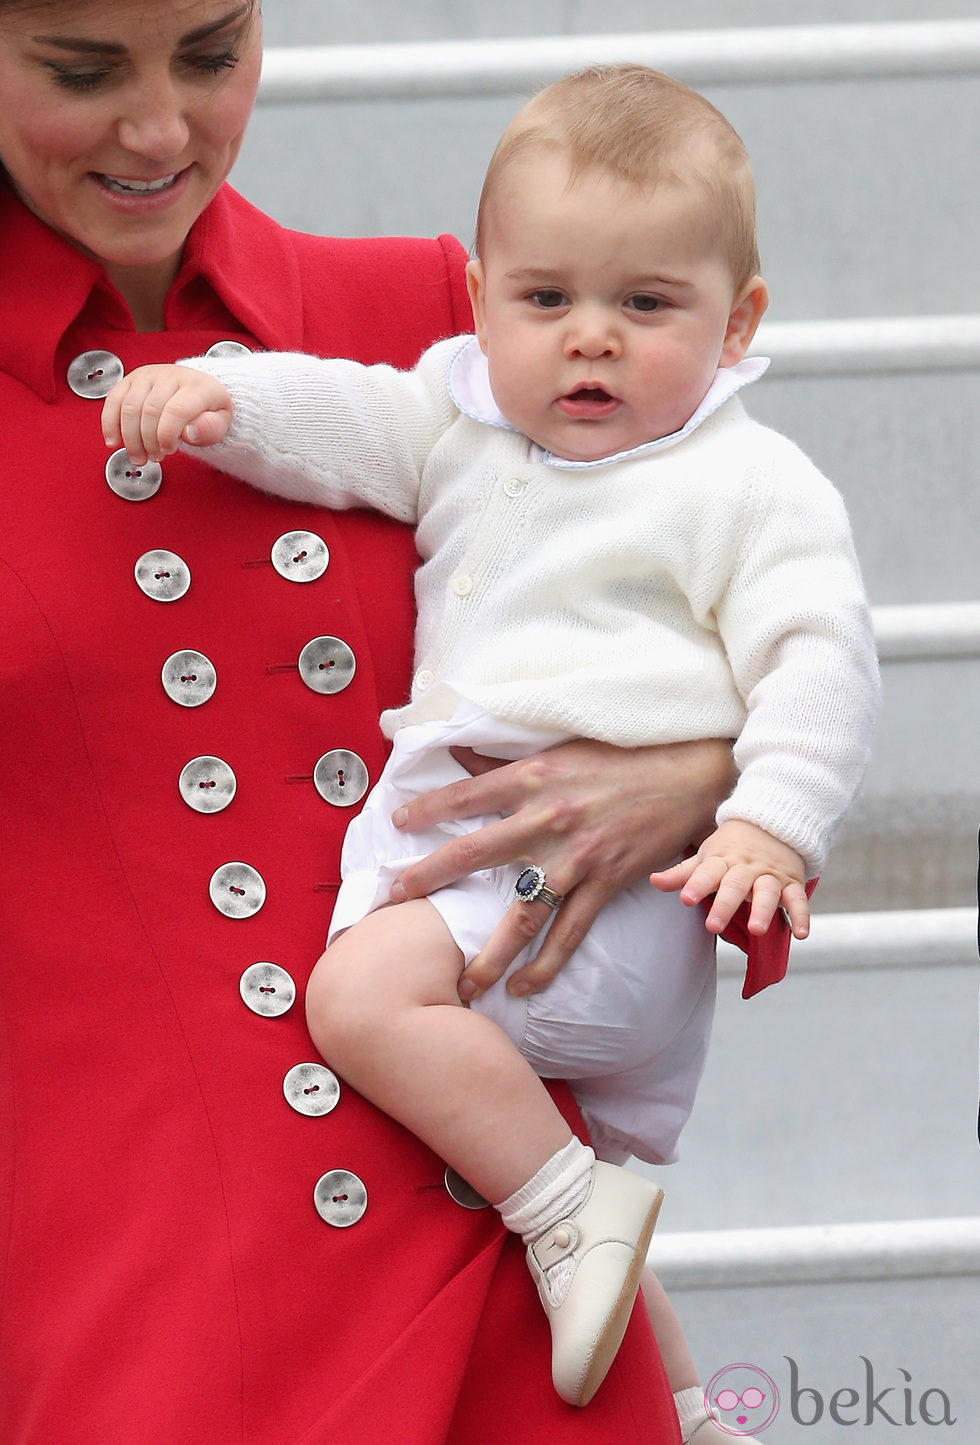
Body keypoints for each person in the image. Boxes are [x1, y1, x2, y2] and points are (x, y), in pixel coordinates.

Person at [0, 6, 757, 1444]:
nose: (161, 130)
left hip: (499, 1254)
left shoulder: (458, 317)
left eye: (212, 54)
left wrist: (698, 773)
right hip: (132, 1304)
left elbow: (749, 615)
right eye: (83, 72)